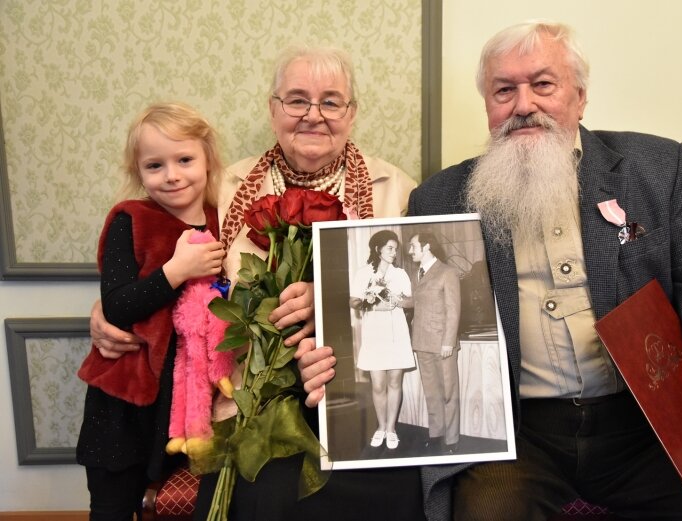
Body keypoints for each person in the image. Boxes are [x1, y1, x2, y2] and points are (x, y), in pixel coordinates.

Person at [299, 20, 682, 521]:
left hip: (645, 426)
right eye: (504, 90)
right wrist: (336, 350)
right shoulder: (439, 198)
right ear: (488, 105)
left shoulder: (655, 168)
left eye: (542, 84)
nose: (523, 105)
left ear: (580, 97)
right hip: (521, 435)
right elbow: (415, 307)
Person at [89, 46, 425, 521]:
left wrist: (329, 299)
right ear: (273, 110)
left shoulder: (399, 190)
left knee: (392, 492)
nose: (314, 115)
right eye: (296, 101)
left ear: (351, 114)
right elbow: (158, 260)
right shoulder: (221, 186)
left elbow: (418, 298)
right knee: (265, 498)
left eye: (331, 102)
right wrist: (104, 310)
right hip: (247, 400)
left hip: (359, 394)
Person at [76, 102, 227, 521]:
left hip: (188, 403)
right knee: (113, 507)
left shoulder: (224, 219)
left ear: (208, 160)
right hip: (124, 404)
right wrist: (176, 271)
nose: (172, 175)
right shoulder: (131, 220)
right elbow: (118, 305)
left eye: (184, 160)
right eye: (155, 165)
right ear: (138, 171)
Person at [349, 229, 414, 450]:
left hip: (396, 331)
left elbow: (411, 301)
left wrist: (399, 302)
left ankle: (391, 429)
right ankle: (380, 427)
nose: (394, 253)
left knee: (395, 381)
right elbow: (354, 302)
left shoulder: (400, 274)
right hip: (375, 333)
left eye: (396, 249)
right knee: (378, 385)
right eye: (390, 248)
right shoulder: (363, 273)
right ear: (378, 249)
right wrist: (371, 303)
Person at [407, 232, 461, 454]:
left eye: (413, 246)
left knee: (449, 392)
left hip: (442, 344)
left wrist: (448, 341)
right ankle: (437, 435)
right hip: (422, 343)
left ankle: (452, 440)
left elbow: (454, 309)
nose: (410, 251)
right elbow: (419, 302)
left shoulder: (447, 272)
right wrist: (394, 300)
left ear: (427, 246)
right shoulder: (420, 274)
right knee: (432, 393)